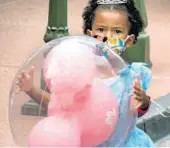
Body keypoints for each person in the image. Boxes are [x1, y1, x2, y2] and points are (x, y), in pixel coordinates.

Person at [16, 0, 153, 146]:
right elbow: (60, 109)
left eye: (117, 31)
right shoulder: (80, 72)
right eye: (101, 30)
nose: (107, 37)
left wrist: (143, 101)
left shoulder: (134, 75)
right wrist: (31, 90)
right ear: (90, 34)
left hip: (124, 143)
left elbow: (135, 113)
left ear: (129, 40)